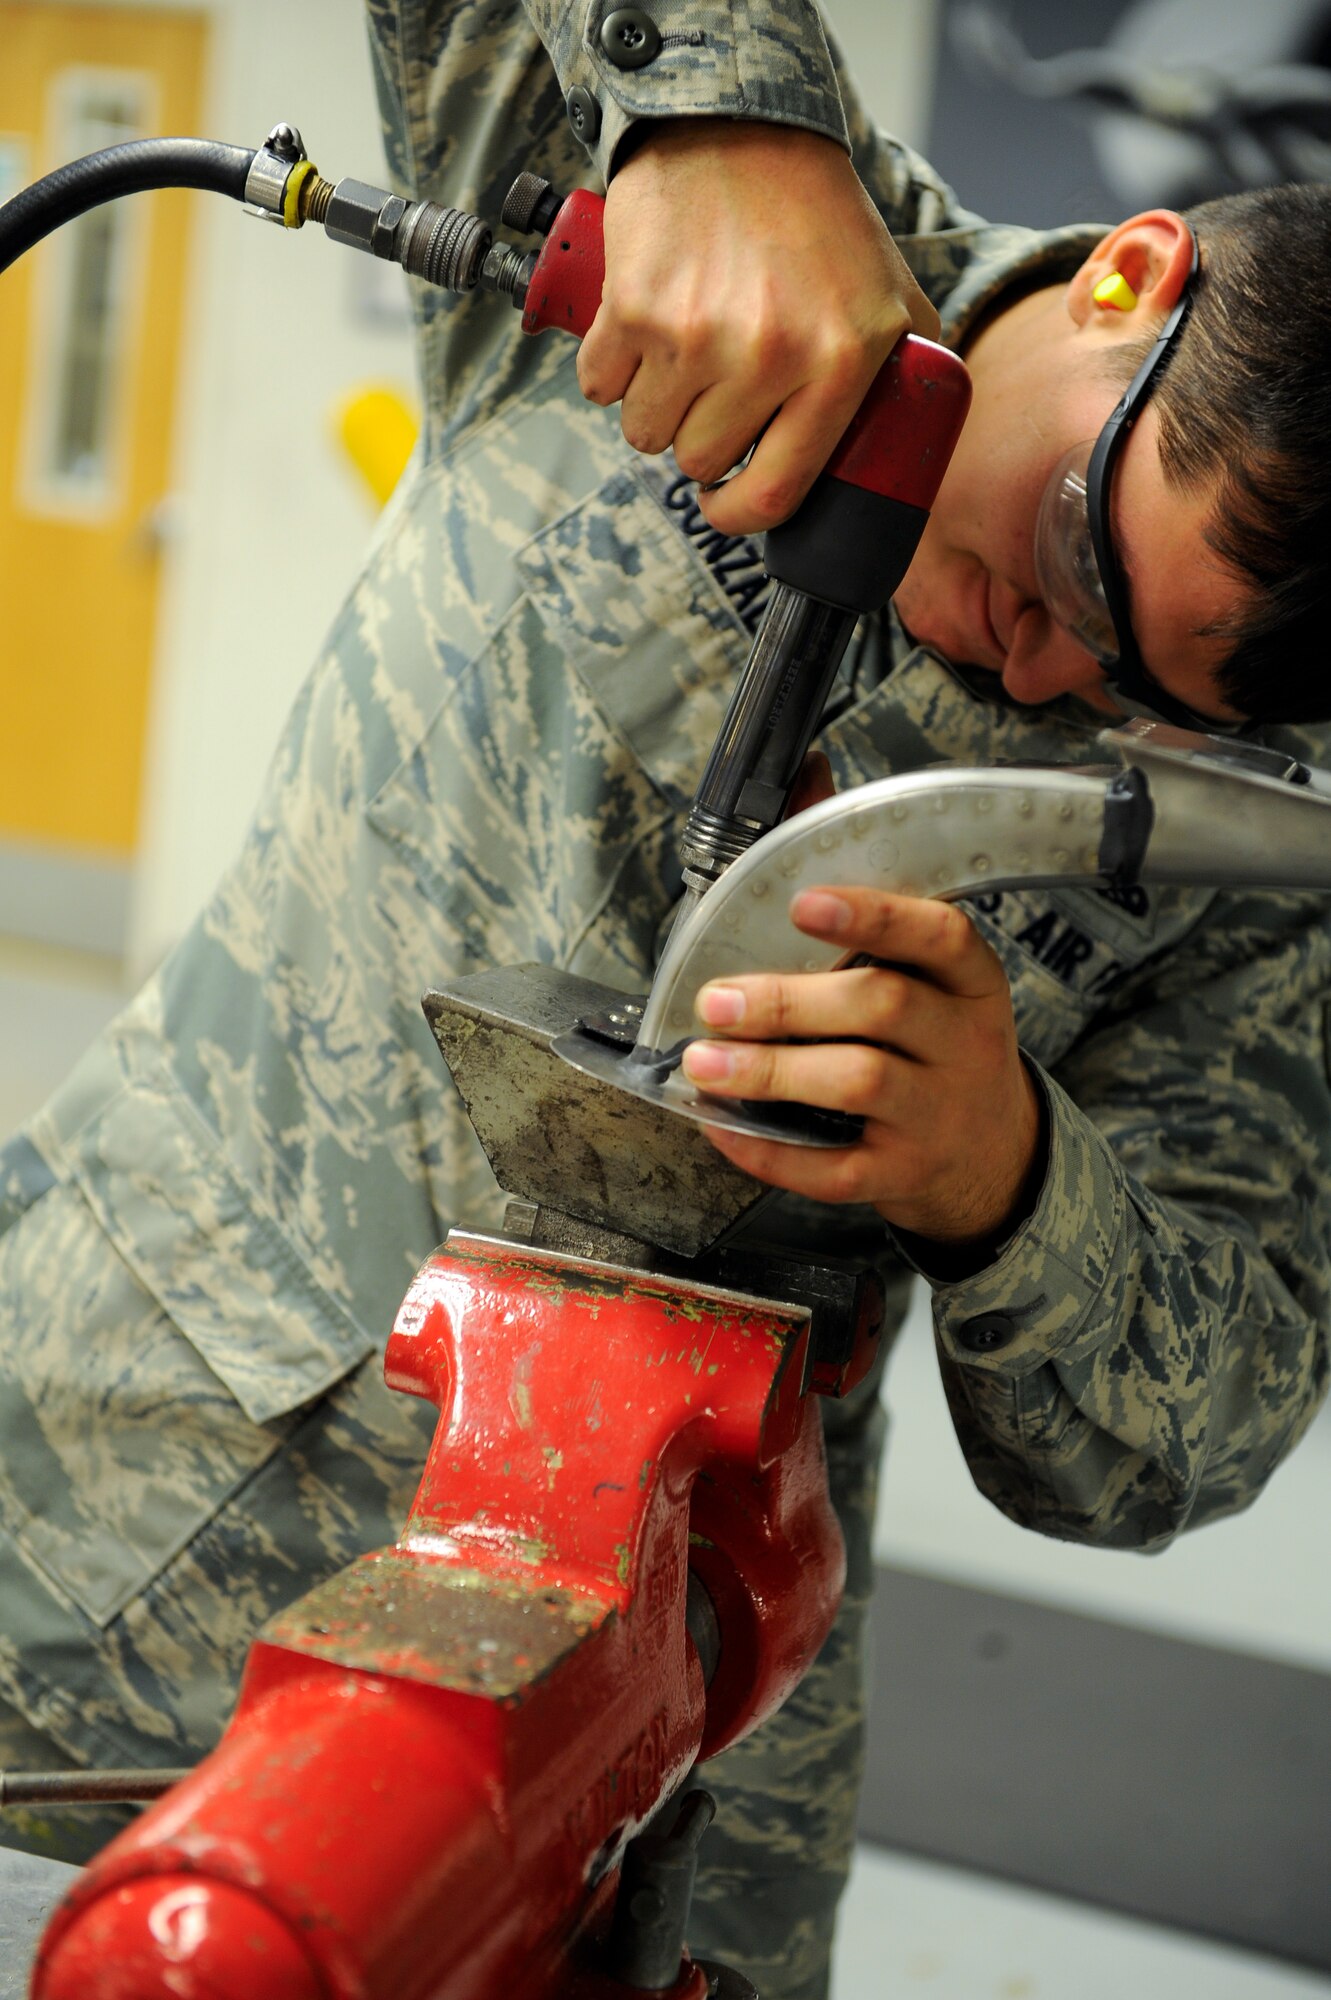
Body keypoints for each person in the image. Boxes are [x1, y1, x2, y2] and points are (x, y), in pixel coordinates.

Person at [2, 1, 1330, 1993]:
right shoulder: (719, 234)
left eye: (1143, 690)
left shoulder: (1251, 859)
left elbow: (1179, 1434)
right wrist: (718, 106)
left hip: (645, 1756)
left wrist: (1008, 1173)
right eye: (1072, 552)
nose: (1048, 669)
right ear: (1133, 280)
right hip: (96, 1516)